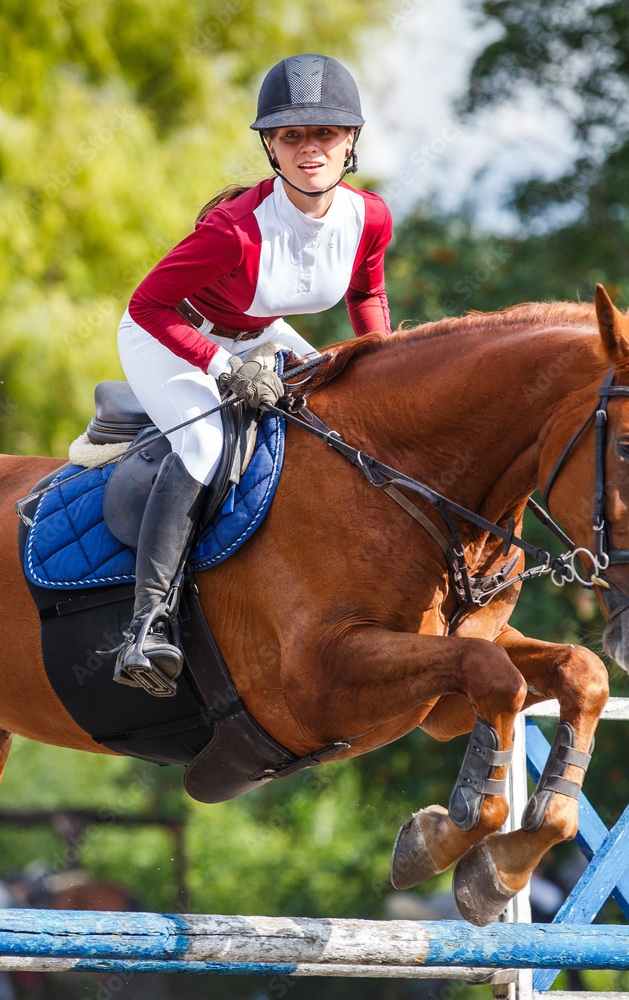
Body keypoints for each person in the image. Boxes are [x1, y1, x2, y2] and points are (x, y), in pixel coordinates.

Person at [113, 53, 393, 694]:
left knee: (336, 418)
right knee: (204, 442)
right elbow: (145, 305)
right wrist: (224, 367)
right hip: (172, 337)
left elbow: (365, 295)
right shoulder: (234, 231)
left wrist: (384, 365)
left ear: (350, 141)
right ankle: (146, 626)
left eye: (324, 133)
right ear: (271, 145)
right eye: (291, 135)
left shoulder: (369, 217)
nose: (309, 149)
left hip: (260, 331)